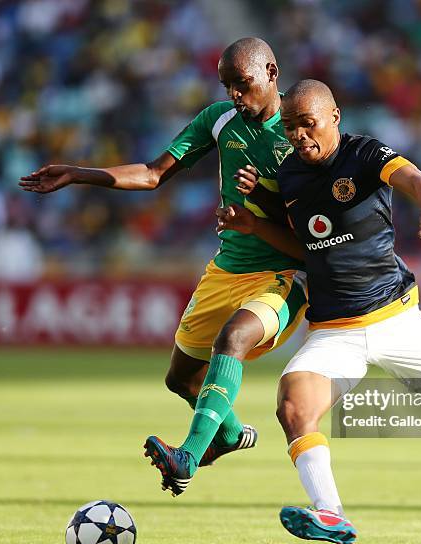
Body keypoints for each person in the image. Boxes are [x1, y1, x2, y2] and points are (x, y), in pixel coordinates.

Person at [217, 79, 421, 544]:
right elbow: (305, 246)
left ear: (334, 116)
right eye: (290, 127)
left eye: (307, 124)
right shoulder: (289, 174)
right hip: (335, 331)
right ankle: (331, 514)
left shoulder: (366, 155)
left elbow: (418, 181)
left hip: (397, 321)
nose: (298, 135)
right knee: (292, 406)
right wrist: (255, 223)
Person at [18, 38, 307, 496]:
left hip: (285, 274)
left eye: (243, 83)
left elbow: (316, 219)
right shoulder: (220, 120)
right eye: (227, 85)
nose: (234, 94)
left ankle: (187, 457)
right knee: (181, 377)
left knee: (232, 338)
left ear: (272, 73)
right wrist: (79, 173)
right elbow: (154, 173)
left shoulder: (300, 130)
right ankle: (229, 434)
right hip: (227, 268)